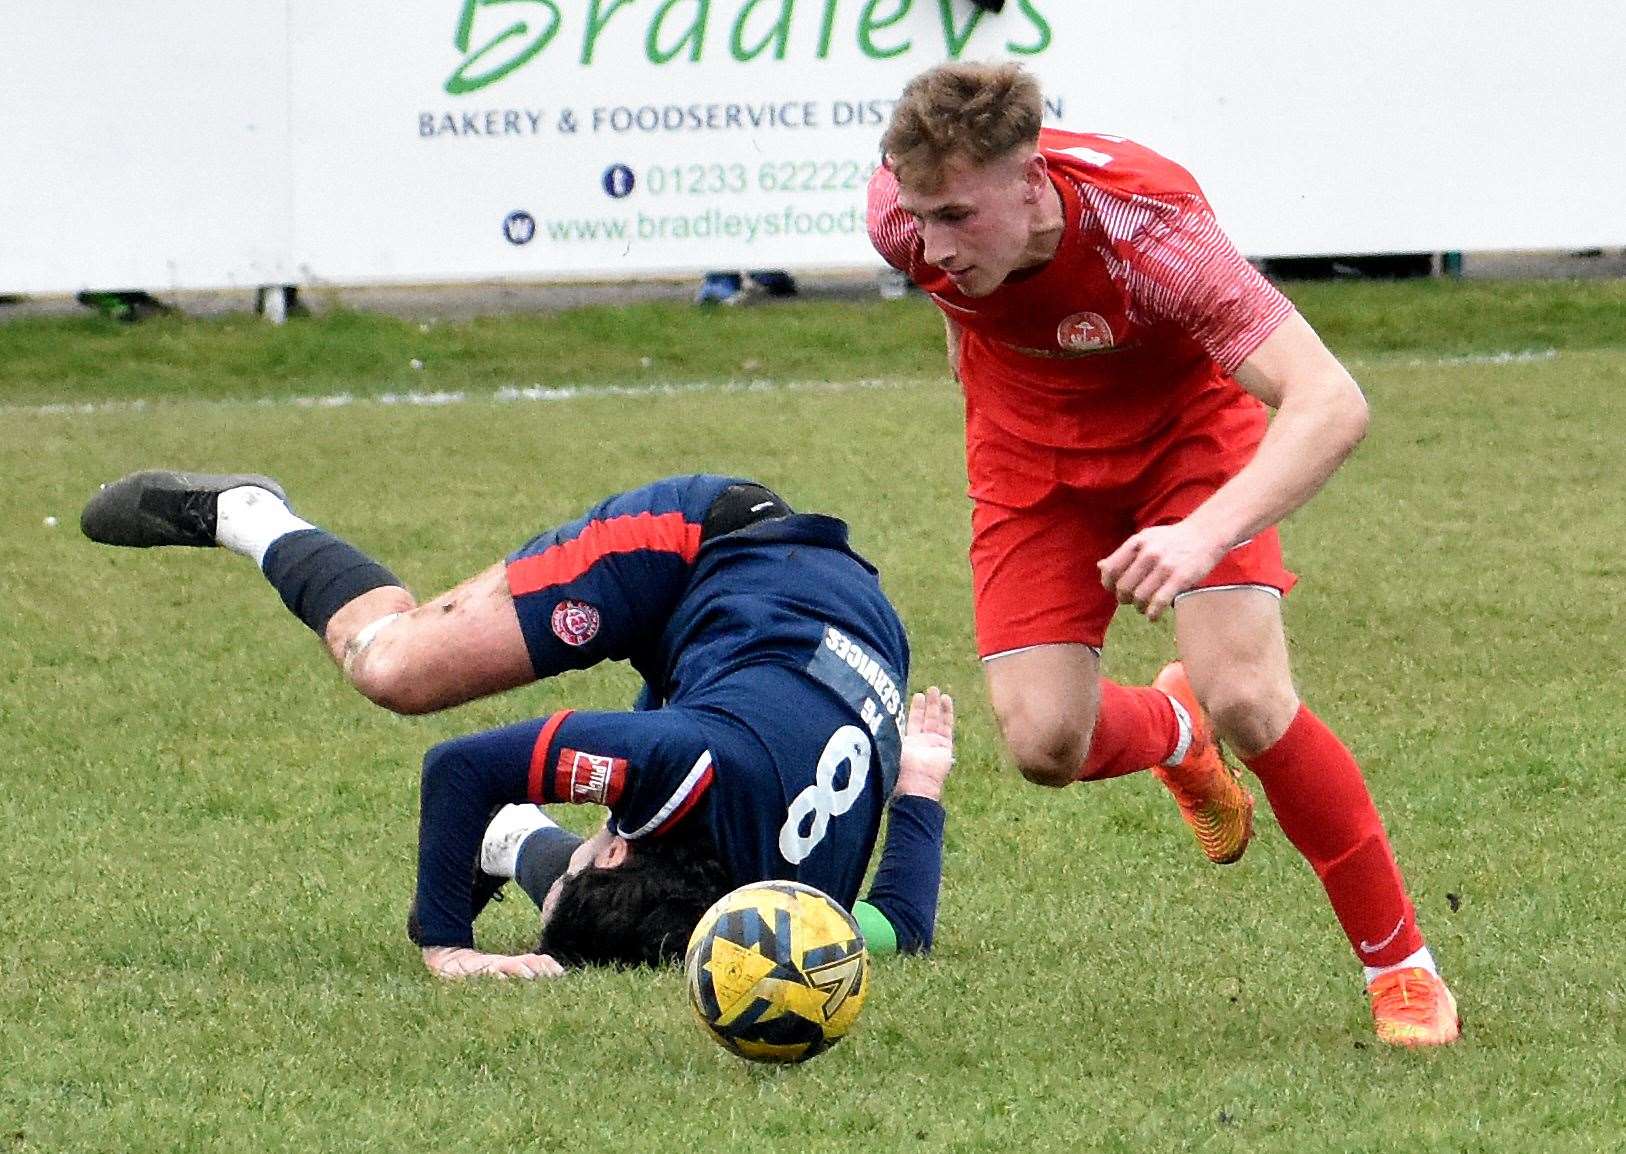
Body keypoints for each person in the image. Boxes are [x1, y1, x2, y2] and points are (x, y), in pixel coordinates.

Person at [866, 62, 1458, 1046]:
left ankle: (1402, 967)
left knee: (1250, 693)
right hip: (1027, 460)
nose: (928, 245)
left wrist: (1204, 529)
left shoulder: (1150, 228)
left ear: (1032, 178)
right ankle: (1175, 730)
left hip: (1187, 439)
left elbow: (1331, 401)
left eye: (957, 217)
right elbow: (962, 315)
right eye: (920, 217)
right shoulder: (903, 214)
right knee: (1043, 744)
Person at [81, 471, 950, 978]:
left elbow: (902, 927)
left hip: (832, 627)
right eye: (585, 857)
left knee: (604, 914)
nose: (594, 843)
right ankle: (250, 513)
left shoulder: (794, 920)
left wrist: (920, 785)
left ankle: (509, 840)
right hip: (704, 546)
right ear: (613, 848)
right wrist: (446, 947)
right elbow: (457, 767)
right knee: (395, 667)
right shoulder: (681, 763)